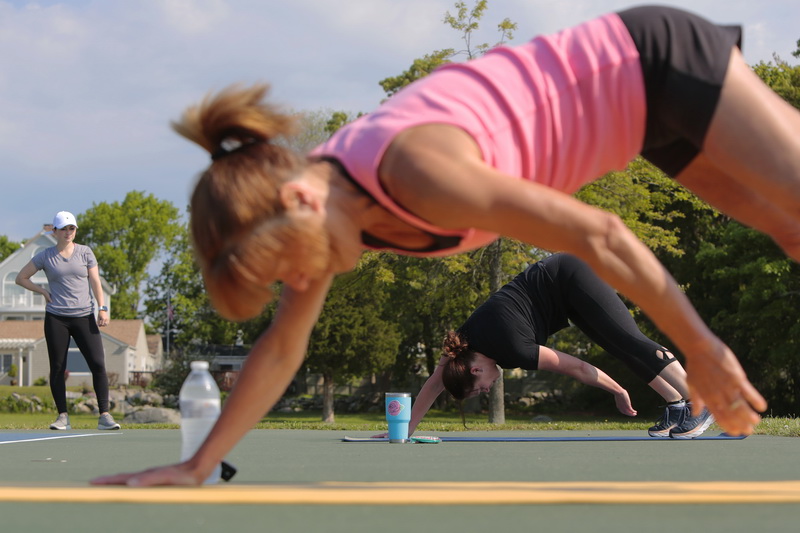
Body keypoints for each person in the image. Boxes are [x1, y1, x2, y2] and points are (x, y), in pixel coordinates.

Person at [91, 5, 796, 486]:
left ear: (300, 198)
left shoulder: (415, 171)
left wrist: (699, 349)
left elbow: (599, 232)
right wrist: (198, 462)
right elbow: (281, 347)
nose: (303, 282)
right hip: (639, 119)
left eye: (292, 264)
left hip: (650, 61)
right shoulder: (326, 212)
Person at [392, 253, 714, 440]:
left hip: (571, 275)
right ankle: (675, 404)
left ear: (475, 370)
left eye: (479, 390)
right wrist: (403, 432)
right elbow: (436, 382)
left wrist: (617, 391)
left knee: (630, 339)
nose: (487, 391)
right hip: (565, 297)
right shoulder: (464, 344)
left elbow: (578, 367)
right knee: (619, 346)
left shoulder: (513, 347)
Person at [16, 211, 121, 431]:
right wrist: (42, 291)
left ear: (75, 230)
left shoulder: (85, 252)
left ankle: (104, 415)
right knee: (57, 367)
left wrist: (103, 308)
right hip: (56, 318)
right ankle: (62, 416)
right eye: (63, 229)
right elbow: (21, 278)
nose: (68, 232)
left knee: (98, 364)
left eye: (71, 228)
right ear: (54, 231)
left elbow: (95, 281)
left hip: (84, 316)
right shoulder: (45, 256)